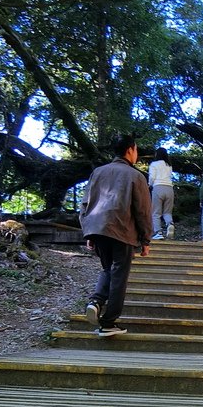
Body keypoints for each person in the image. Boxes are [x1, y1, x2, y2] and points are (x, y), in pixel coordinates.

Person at [80, 133, 152, 336]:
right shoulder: (136, 176)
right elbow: (142, 211)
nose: (136, 154)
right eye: (136, 150)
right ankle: (108, 322)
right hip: (122, 230)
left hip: (97, 228)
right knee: (119, 274)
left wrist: (89, 232)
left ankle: (96, 301)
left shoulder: (98, 172)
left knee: (107, 269)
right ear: (130, 150)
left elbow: (85, 203)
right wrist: (146, 240)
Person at [148, 147, 175, 240]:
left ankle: (158, 232)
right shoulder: (169, 166)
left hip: (158, 187)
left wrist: (149, 185)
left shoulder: (154, 164)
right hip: (169, 188)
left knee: (156, 212)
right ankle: (170, 223)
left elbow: (152, 177)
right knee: (167, 212)